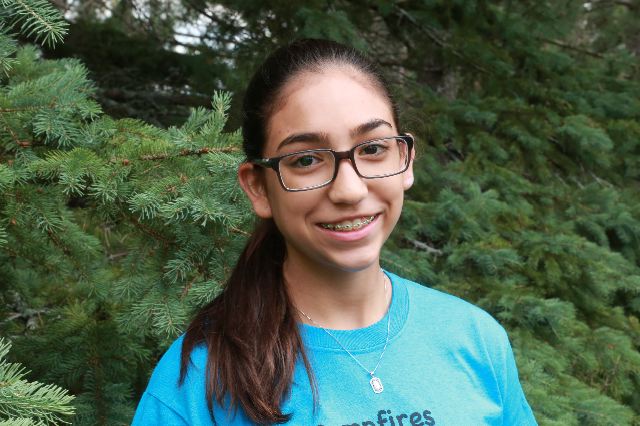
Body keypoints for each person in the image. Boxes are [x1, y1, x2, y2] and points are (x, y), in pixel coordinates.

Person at [132, 38, 537, 425]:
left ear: (406, 159)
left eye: (373, 149)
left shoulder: (475, 339)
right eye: (307, 159)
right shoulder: (200, 380)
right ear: (258, 187)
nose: (349, 190)